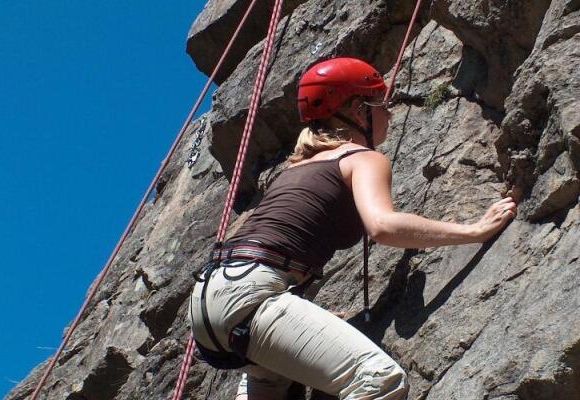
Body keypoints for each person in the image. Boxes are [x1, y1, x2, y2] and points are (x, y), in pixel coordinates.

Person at [189, 57, 516, 400]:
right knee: (379, 381)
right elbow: (383, 226)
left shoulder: (295, 170)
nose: (389, 112)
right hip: (252, 295)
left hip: (211, 303)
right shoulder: (360, 157)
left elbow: (284, 242)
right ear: (359, 111)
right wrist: (474, 230)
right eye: (382, 104)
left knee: (277, 386)